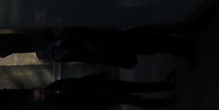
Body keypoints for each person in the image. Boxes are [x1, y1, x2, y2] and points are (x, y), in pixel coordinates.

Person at [34, 72, 176, 110]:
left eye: (40, 93)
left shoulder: (55, 86)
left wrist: (96, 78)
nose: (43, 96)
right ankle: (163, 103)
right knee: (132, 98)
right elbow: (79, 108)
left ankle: (163, 85)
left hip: (99, 86)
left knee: (133, 87)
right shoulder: (56, 105)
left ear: (41, 88)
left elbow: (77, 81)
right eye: (40, 97)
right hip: (99, 98)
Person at [35, 28, 192, 68]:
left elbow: (77, 47)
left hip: (104, 42)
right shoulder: (59, 46)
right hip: (104, 46)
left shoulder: (61, 42)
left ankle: (177, 46)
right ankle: (176, 47)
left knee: (143, 43)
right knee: (143, 46)